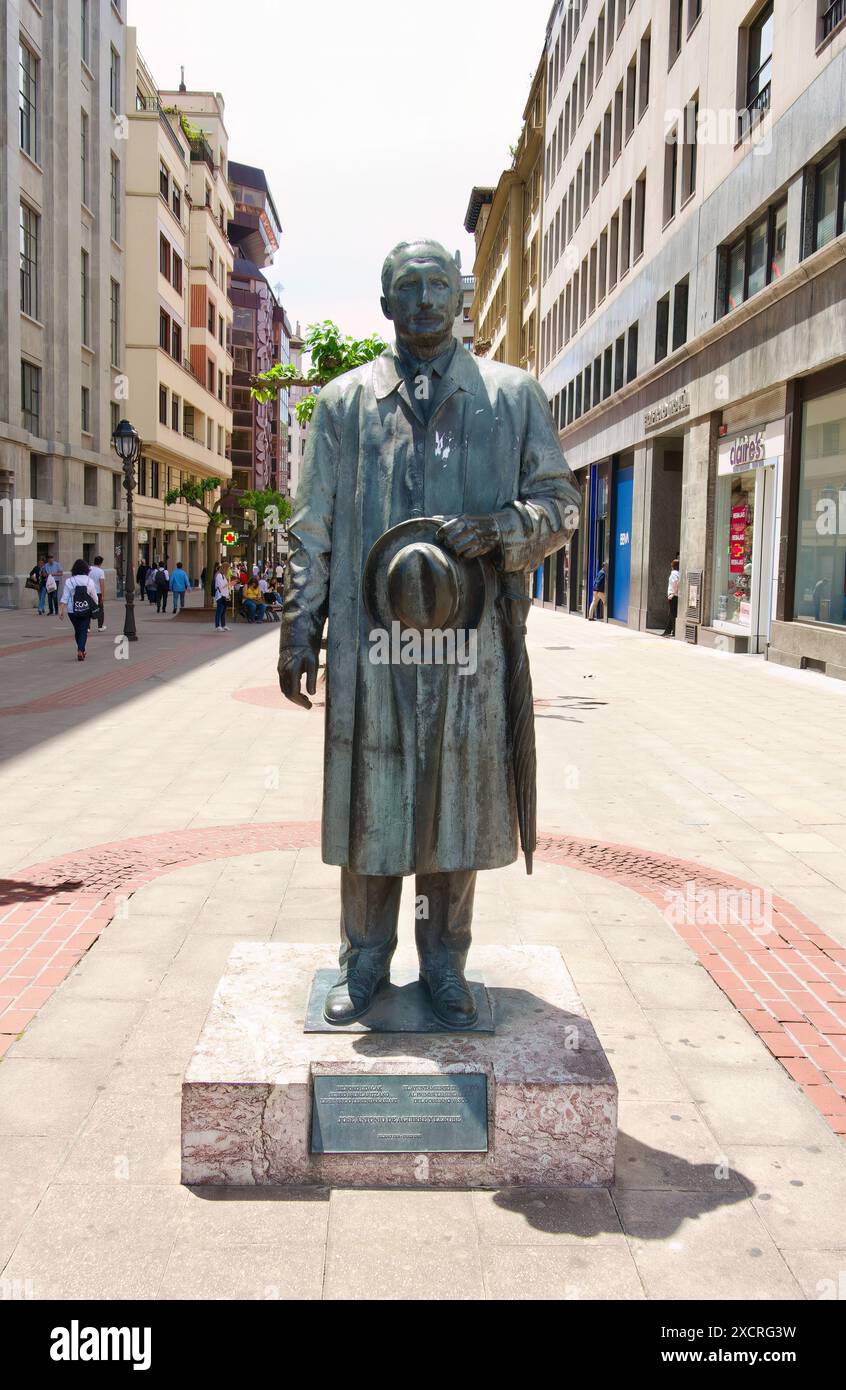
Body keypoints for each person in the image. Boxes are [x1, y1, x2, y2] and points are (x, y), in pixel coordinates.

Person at [279, 238, 579, 1027]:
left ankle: (445, 961)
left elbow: (561, 505)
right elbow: (312, 527)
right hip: (371, 647)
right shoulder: (344, 403)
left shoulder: (510, 396)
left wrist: (500, 527)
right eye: (407, 286)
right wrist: (298, 625)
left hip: (470, 644)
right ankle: (365, 961)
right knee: (371, 808)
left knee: (457, 807)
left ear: (461, 296)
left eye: (438, 284)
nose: (423, 299)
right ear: (385, 303)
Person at [59, 559, 99, 661]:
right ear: (86, 569)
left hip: (72, 611)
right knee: (83, 630)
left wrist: (61, 610)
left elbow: (65, 597)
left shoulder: (69, 581)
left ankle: (81, 649)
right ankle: (80, 650)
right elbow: (94, 597)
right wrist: (96, 605)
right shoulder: (89, 581)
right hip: (86, 609)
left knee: (78, 630)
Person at [663, 557, 681, 637]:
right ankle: (667, 630)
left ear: (673, 566)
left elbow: (675, 585)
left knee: (673, 614)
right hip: (675, 595)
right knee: (671, 613)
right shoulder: (678, 574)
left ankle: (674, 631)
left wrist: (672, 594)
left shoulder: (674, 574)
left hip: (673, 596)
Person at [88, 554, 106, 632]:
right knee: (100, 609)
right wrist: (103, 595)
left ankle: (87, 627)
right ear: (101, 563)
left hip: (89, 592)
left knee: (88, 609)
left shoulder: (88, 569)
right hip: (98, 592)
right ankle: (100, 626)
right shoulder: (101, 571)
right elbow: (102, 583)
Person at [212, 562, 230, 632]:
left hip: (224, 595)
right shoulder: (219, 575)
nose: (228, 570)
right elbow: (220, 586)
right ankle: (217, 626)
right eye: (228, 568)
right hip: (220, 596)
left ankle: (223, 625)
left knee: (223, 611)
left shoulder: (223, 575)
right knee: (219, 611)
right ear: (224, 568)